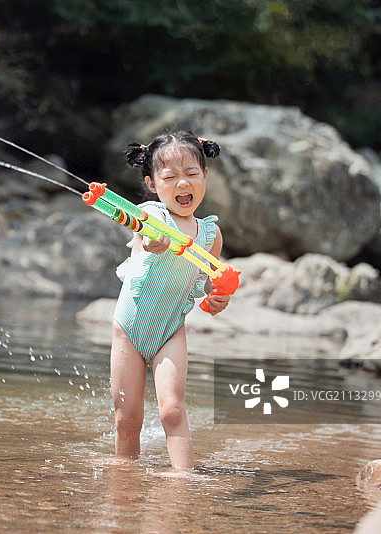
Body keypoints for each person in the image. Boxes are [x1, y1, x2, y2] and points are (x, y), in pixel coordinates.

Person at [110, 130, 230, 469]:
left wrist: (217, 299)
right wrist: (153, 241)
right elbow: (145, 237)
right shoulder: (151, 216)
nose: (183, 184)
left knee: (173, 409)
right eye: (170, 177)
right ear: (151, 183)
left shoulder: (210, 234)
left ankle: (184, 479)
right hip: (129, 330)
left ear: (204, 176)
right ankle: (124, 475)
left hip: (170, 330)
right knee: (126, 418)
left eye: (191, 174)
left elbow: (208, 285)